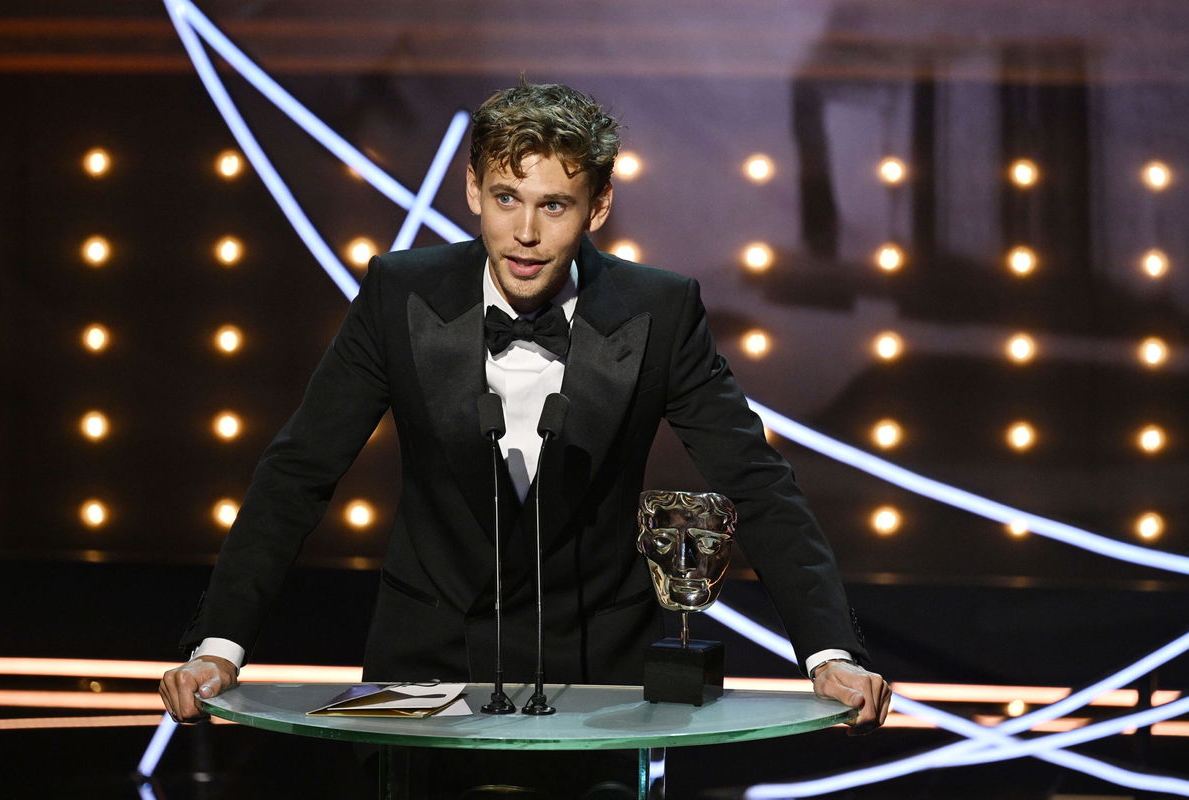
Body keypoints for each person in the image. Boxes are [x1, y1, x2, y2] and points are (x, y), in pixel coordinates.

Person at [160, 81, 891, 737]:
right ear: (473, 189)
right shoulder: (398, 293)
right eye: (507, 197)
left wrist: (828, 653)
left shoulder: (659, 310)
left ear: (598, 207)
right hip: (425, 666)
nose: (527, 234)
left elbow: (757, 481)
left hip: (600, 676)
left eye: (555, 205)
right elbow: (299, 473)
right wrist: (219, 647)